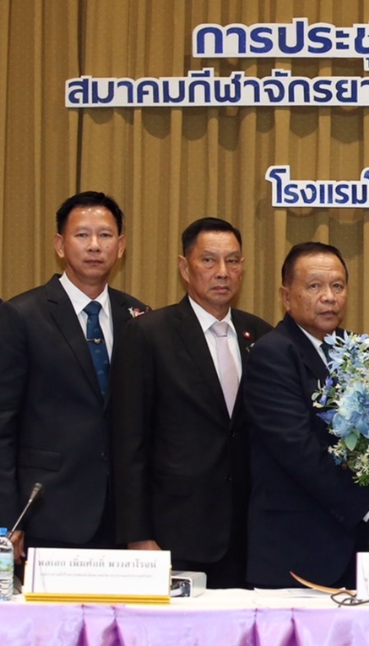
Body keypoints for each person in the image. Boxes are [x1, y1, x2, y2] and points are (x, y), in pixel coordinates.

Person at [0, 192, 148, 559]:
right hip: (45, 511)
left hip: (120, 517)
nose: (94, 246)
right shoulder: (22, 315)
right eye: (82, 235)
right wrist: (6, 519)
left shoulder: (138, 317)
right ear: (60, 245)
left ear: (121, 246)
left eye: (105, 235)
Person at [110, 218, 272, 587]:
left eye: (233, 261)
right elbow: (128, 443)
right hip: (174, 532)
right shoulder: (148, 334)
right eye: (209, 260)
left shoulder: (261, 335)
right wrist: (137, 534)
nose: (222, 272)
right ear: (185, 267)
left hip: (249, 536)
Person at [241, 242, 369, 588]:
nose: (329, 297)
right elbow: (299, 451)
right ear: (286, 296)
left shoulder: (359, 352)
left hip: (356, 549)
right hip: (296, 551)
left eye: (337, 286)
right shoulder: (273, 354)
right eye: (314, 286)